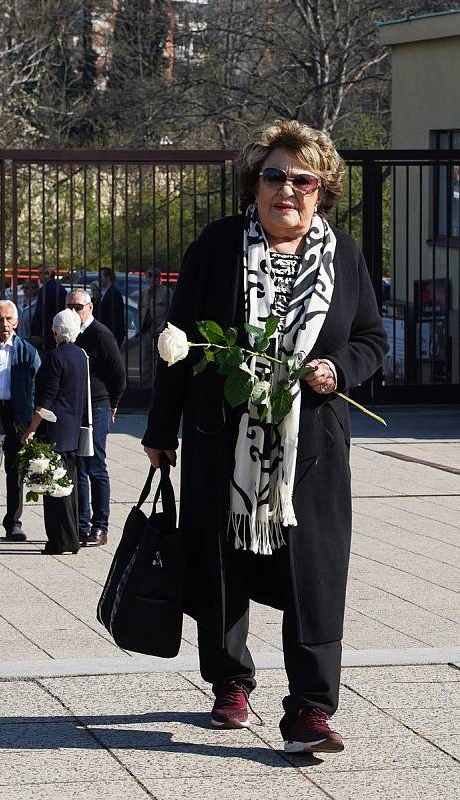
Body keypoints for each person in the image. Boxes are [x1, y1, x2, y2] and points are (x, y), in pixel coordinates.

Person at [142, 120, 387, 753]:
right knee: (222, 562)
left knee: (315, 574)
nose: (288, 188)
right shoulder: (218, 246)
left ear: (322, 190)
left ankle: (311, 708)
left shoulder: (347, 256)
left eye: (302, 179)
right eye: (274, 175)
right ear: (255, 185)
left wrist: (338, 370)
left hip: (313, 452)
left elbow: (371, 341)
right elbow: (179, 343)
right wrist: (161, 428)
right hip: (222, 438)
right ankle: (230, 680)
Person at [21, 309, 88, 555]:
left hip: (54, 430)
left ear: (56, 331)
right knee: (69, 486)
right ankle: (72, 539)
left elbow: (46, 399)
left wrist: (31, 429)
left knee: (53, 487)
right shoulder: (81, 355)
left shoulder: (55, 357)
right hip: (71, 431)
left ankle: (58, 541)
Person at [0, 300, 41, 543]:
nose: (4, 324)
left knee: (15, 471)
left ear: (17, 322)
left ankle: (13, 524)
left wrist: (33, 421)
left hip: (17, 414)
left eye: (8, 319)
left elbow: (38, 384)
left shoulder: (28, 351)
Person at [66, 289, 126, 546]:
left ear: (90, 307)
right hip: (76, 406)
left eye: (78, 306)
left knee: (95, 466)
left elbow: (118, 373)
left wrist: (113, 404)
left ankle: (100, 526)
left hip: (98, 405)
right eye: (69, 306)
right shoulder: (69, 332)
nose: (73, 311)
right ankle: (81, 524)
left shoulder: (100, 334)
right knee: (78, 466)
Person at [139, 268, 170, 386]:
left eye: (155, 276)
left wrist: (161, 328)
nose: (152, 279)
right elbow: (140, 311)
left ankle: (160, 384)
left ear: (159, 277)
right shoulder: (144, 293)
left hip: (161, 332)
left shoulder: (166, 292)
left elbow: (170, 313)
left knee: (161, 359)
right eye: (149, 276)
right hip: (146, 331)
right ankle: (145, 385)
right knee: (146, 360)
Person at [30, 266, 67, 351]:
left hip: (46, 330)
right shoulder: (61, 288)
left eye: (40, 273)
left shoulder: (45, 289)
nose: (39, 276)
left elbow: (40, 312)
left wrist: (35, 330)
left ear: (48, 274)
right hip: (59, 326)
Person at [97, 267, 125, 347]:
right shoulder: (108, 292)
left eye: (101, 276)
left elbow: (111, 316)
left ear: (108, 277)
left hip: (111, 334)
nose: (99, 279)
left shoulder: (113, 293)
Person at [18, 279, 41, 344]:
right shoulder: (19, 303)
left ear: (35, 289)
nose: (25, 290)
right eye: (24, 288)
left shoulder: (38, 305)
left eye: (27, 288)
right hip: (19, 339)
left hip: (32, 341)